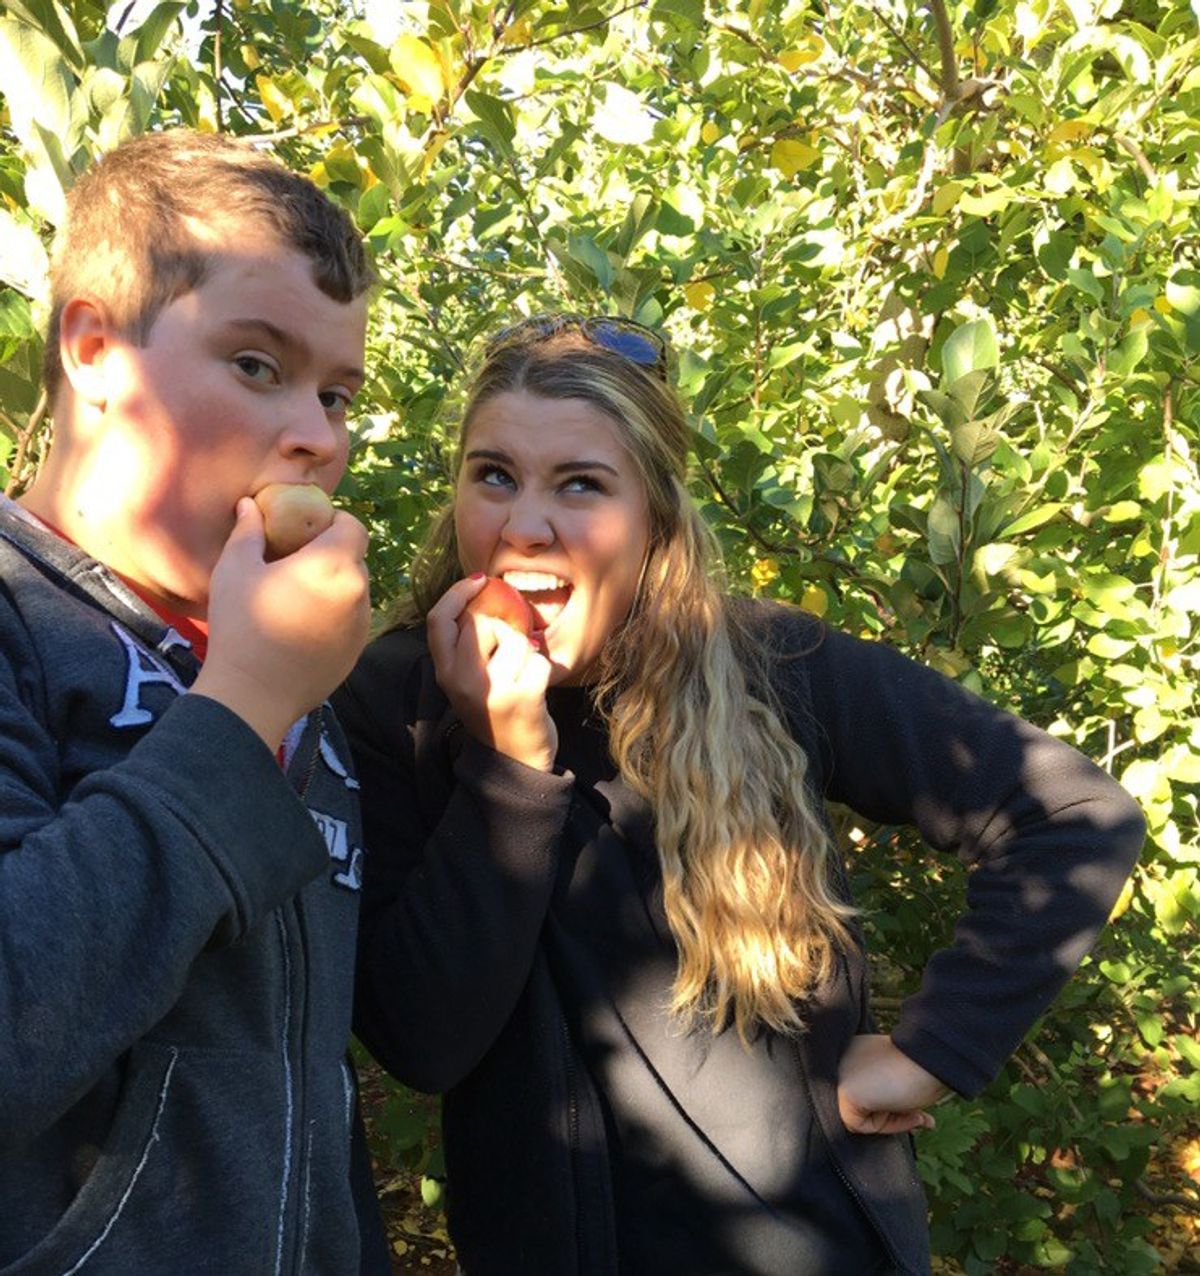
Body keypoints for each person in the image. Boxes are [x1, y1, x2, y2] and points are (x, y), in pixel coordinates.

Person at [335, 315, 1146, 1276]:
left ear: (657, 521)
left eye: (582, 484)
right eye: (494, 474)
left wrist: (934, 1048)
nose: (523, 525)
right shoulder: (395, 702)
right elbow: (422, 1042)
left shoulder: (770, 665)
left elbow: (1071, 814)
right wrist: (507, 764)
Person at [0, 129, 391, 1273]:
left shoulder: (294, 676)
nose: (316, 437)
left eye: (337, 391)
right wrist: (238, 713)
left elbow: (311, 1081)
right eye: (258, 365)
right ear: (94, 348)